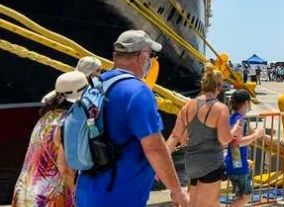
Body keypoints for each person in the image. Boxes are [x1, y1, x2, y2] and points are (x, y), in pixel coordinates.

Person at [76, 30, 188, 207]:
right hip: (118, 197)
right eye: (151, 55)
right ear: (142, 57)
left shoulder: (94, 86)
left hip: (86, 192)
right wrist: (177, 191)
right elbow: (155, 148)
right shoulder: (138, 92)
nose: (151, 60)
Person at [12, 71, 87, 207]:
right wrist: (83, 198)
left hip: (25, 194)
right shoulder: (67, 124)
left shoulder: (46, 117)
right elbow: (65, 170)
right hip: (48, 199)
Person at [166, 65, 238, 207]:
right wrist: (234, 130)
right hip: (211, 164)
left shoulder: (187, 106)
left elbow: (176, 136)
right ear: (218, 88)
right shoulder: (220, 108)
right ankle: (178, 198)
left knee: (197, 203)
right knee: (207, 204)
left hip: (191, 164)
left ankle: (179, 198)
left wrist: (160, 163)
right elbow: (224, 139)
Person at [226, 89, 266, 207]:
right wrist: (257, 134)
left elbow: (233, 143)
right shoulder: (240, 120)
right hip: (238, 165)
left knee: (239, 196)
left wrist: (243, 160)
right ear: (246, 103)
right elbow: (237, 143)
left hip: (235, 162)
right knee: (246, 196)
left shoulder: (232, 118)